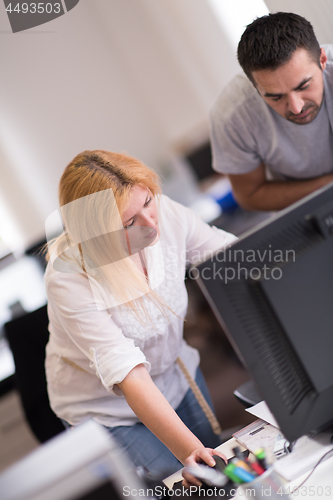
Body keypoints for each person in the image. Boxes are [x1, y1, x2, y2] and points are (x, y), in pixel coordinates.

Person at [44, 150, 236, 483]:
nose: (150, 225)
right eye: (129, 223)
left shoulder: (166, 215)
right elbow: (128, 373)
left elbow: (230, 258)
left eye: (147, 202)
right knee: (176, 484)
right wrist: (190, 451)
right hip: (107, 410)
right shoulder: (68, 277)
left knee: (223, 473)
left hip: (176, 375)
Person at [209, 12, 333, 211]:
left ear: (322, 59)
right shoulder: (232, 115)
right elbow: (249, 194)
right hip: (307, 215)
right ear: (254, 86)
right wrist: (328, 186)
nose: (296, 107)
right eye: (276, 97)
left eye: (303, 86)